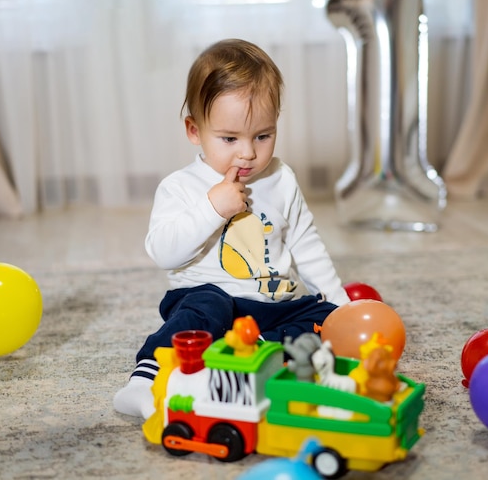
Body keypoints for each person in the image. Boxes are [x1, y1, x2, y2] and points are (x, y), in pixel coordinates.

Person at [113, 38, 350, 419]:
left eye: (263, 135)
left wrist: (340, 307)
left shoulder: (282, 178)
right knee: (206, 305)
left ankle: (255, 357)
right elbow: (163, 251)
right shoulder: (181, 186)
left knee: (317, 317)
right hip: (207, 301)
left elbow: (306, 243)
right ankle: (144, 380)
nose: (248, 153)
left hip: (269, 309)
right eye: (229, 139)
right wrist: (213, 208)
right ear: (195, 130)